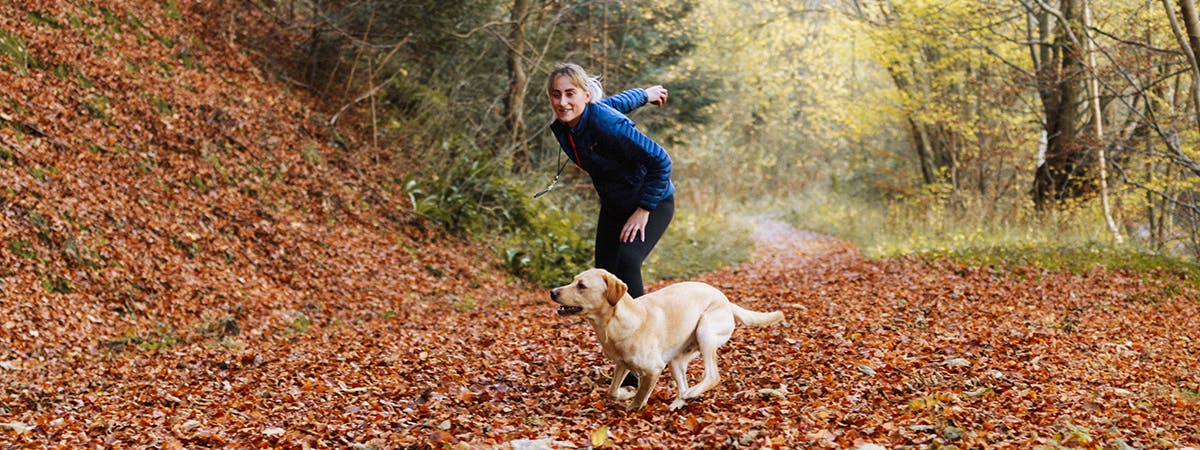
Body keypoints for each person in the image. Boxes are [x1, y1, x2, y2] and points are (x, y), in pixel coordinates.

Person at [546, 62, 675, 301]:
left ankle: (640, 331)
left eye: (570, 94)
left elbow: (662, 161)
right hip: (614, 205)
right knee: (603, 272)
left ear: (586, 95)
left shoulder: (609, 125)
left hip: (652, 201)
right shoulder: (570, 125)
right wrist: (645, 94)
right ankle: (612, 335)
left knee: (627, 262)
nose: (562, 102)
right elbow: (617, 103)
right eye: (556, 95)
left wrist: (643, 209)